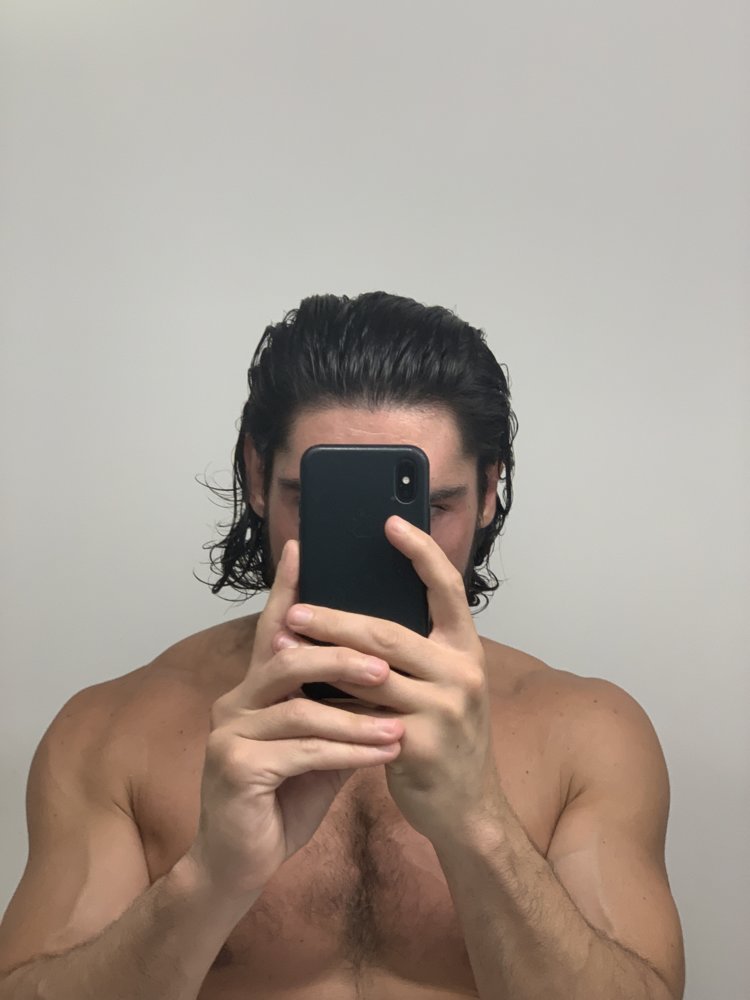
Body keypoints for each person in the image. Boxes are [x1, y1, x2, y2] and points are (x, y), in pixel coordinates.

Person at [0, 292, 685, 999]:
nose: (390, 543)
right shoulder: (112, 732)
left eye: (432, 506)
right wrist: (210, 879)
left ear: (489, 491)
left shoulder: (589, 734)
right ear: (258, 478)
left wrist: (480, 827)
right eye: (324, 504)